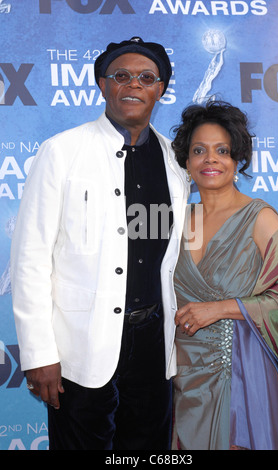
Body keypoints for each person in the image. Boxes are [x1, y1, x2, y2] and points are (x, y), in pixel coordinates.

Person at [10, 37, 190, 450]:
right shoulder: (62, 151)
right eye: (121, 75)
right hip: (81, 349)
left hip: (152, 349)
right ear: (102, 84)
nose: (133, 85)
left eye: (146, 78)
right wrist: (39, 354)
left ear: (160, 89)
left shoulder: (174, 160)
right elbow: (30, 259)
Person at [170, 100, 278, 450]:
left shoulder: (259, 217)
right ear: (186, 160)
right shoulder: (176, 222)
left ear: (238, 159)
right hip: (184, 372)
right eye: (199, 150)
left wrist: (222, 308)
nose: (210, 159)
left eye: (222, 150)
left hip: (242, 370)